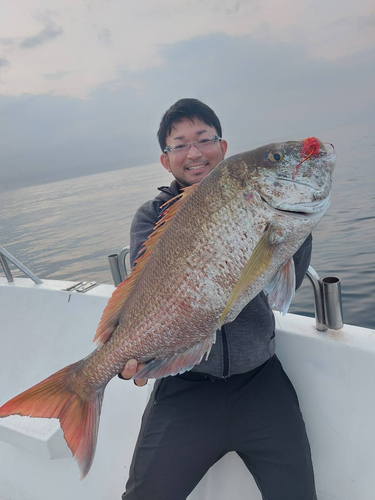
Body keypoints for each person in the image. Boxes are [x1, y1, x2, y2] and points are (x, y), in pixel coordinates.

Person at [120, 98, 316, 500]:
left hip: (262, 382)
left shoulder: (260, 198)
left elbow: (285, 279)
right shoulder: (151, 215)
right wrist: (139, 351)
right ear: (166, 159)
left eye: (204, 139)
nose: (194, 152)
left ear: (223, 148)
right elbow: (152, 293)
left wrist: (291, 222)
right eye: (180, 144)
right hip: (186, 390)